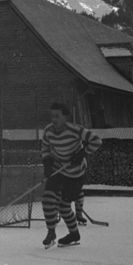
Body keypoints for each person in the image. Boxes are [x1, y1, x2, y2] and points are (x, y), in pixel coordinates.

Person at [41, 103, 102, 249]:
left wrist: (82, 153)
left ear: (65, 117)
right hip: (58, 170)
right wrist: (47, 163)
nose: (54, 119)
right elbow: (45, 147)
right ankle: (51, 232)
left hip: (75, 173)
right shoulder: (48, 131)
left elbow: (96, 141)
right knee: (47, 199)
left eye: (57, 116)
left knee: (64, 206)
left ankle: (74, 234)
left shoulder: (75, 130)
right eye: (52, 116)